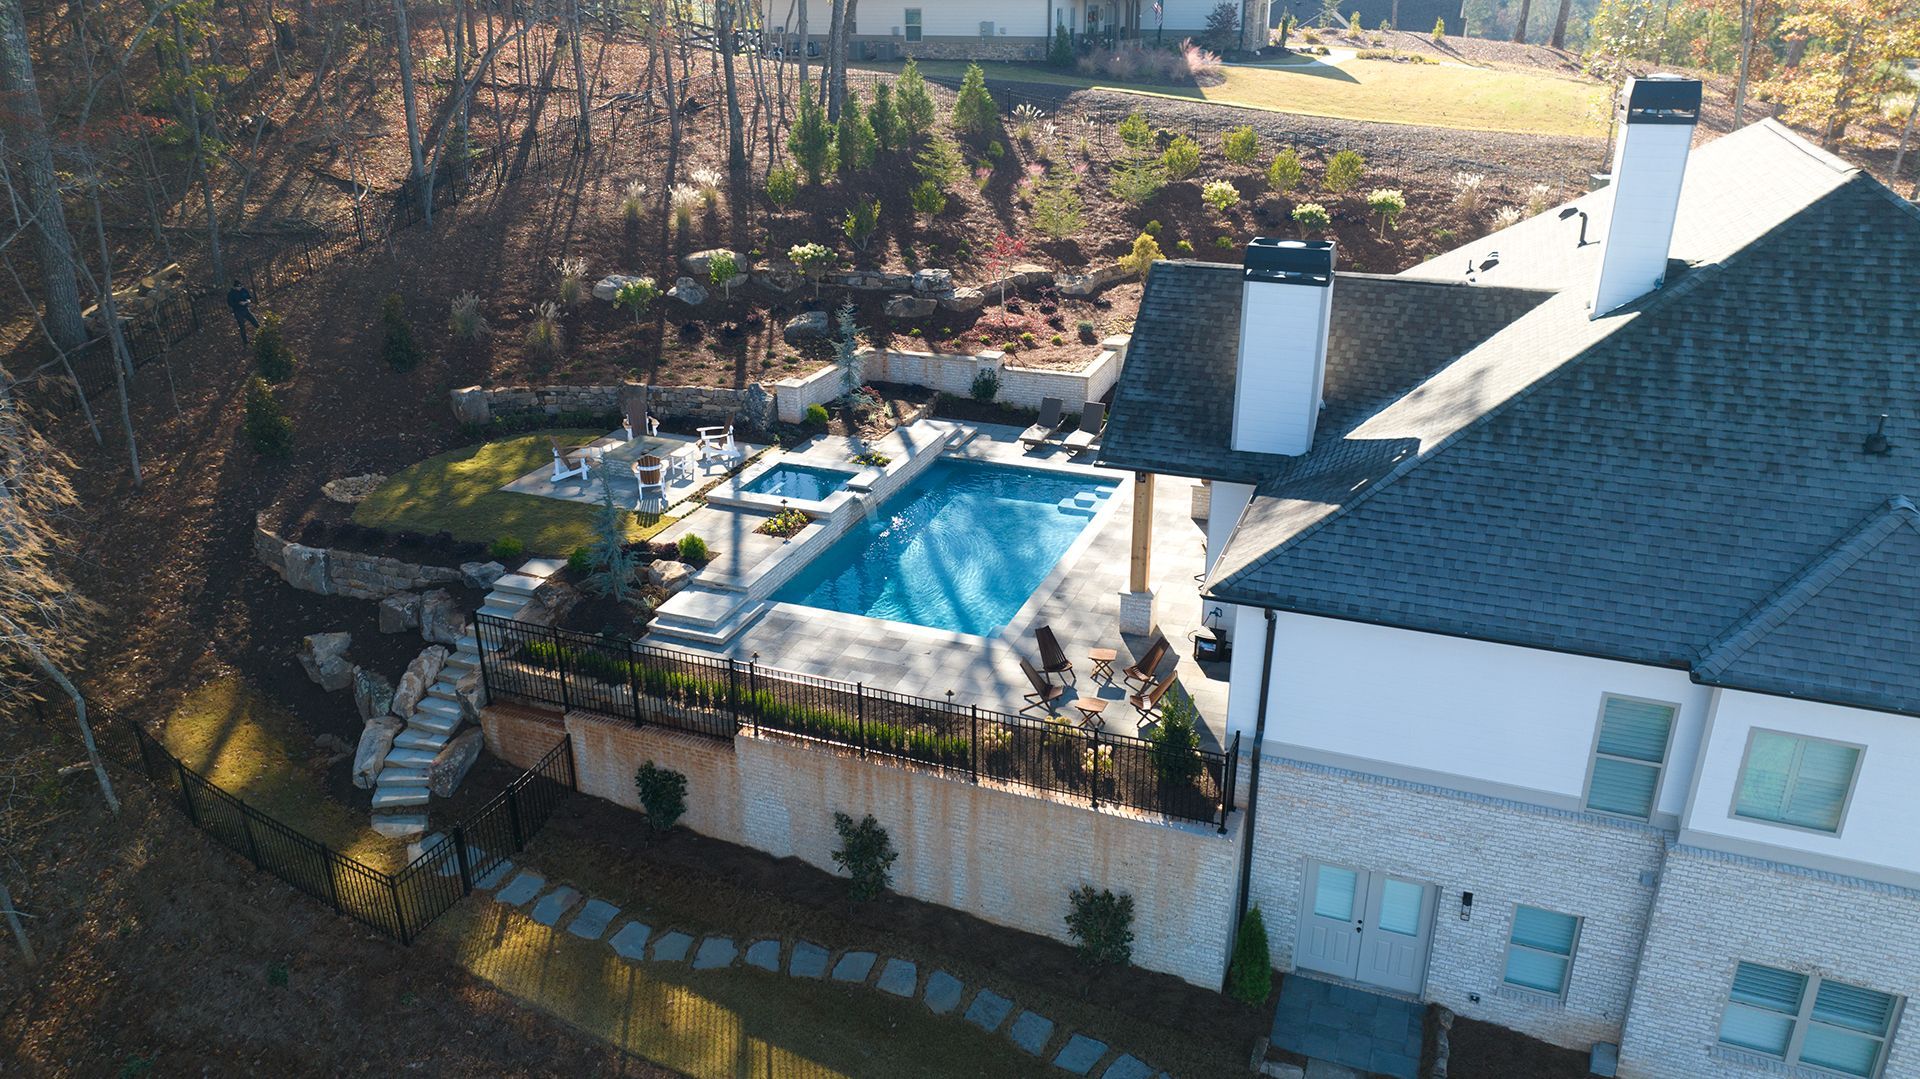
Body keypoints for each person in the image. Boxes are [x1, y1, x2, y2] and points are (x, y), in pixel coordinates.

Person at [226, 279, 259, 344]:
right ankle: (245, 341)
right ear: (234, 287)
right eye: (238, 287)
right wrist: (238, 303)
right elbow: (230, 303)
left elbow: (249, 297)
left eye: (240, 286)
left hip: (246, 309)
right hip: (238, 311)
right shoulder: (231, 294)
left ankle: (262, 334)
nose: (239, 288)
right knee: (242, 327)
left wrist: (248, 301)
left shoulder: (243, 290)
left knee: (255, 322)